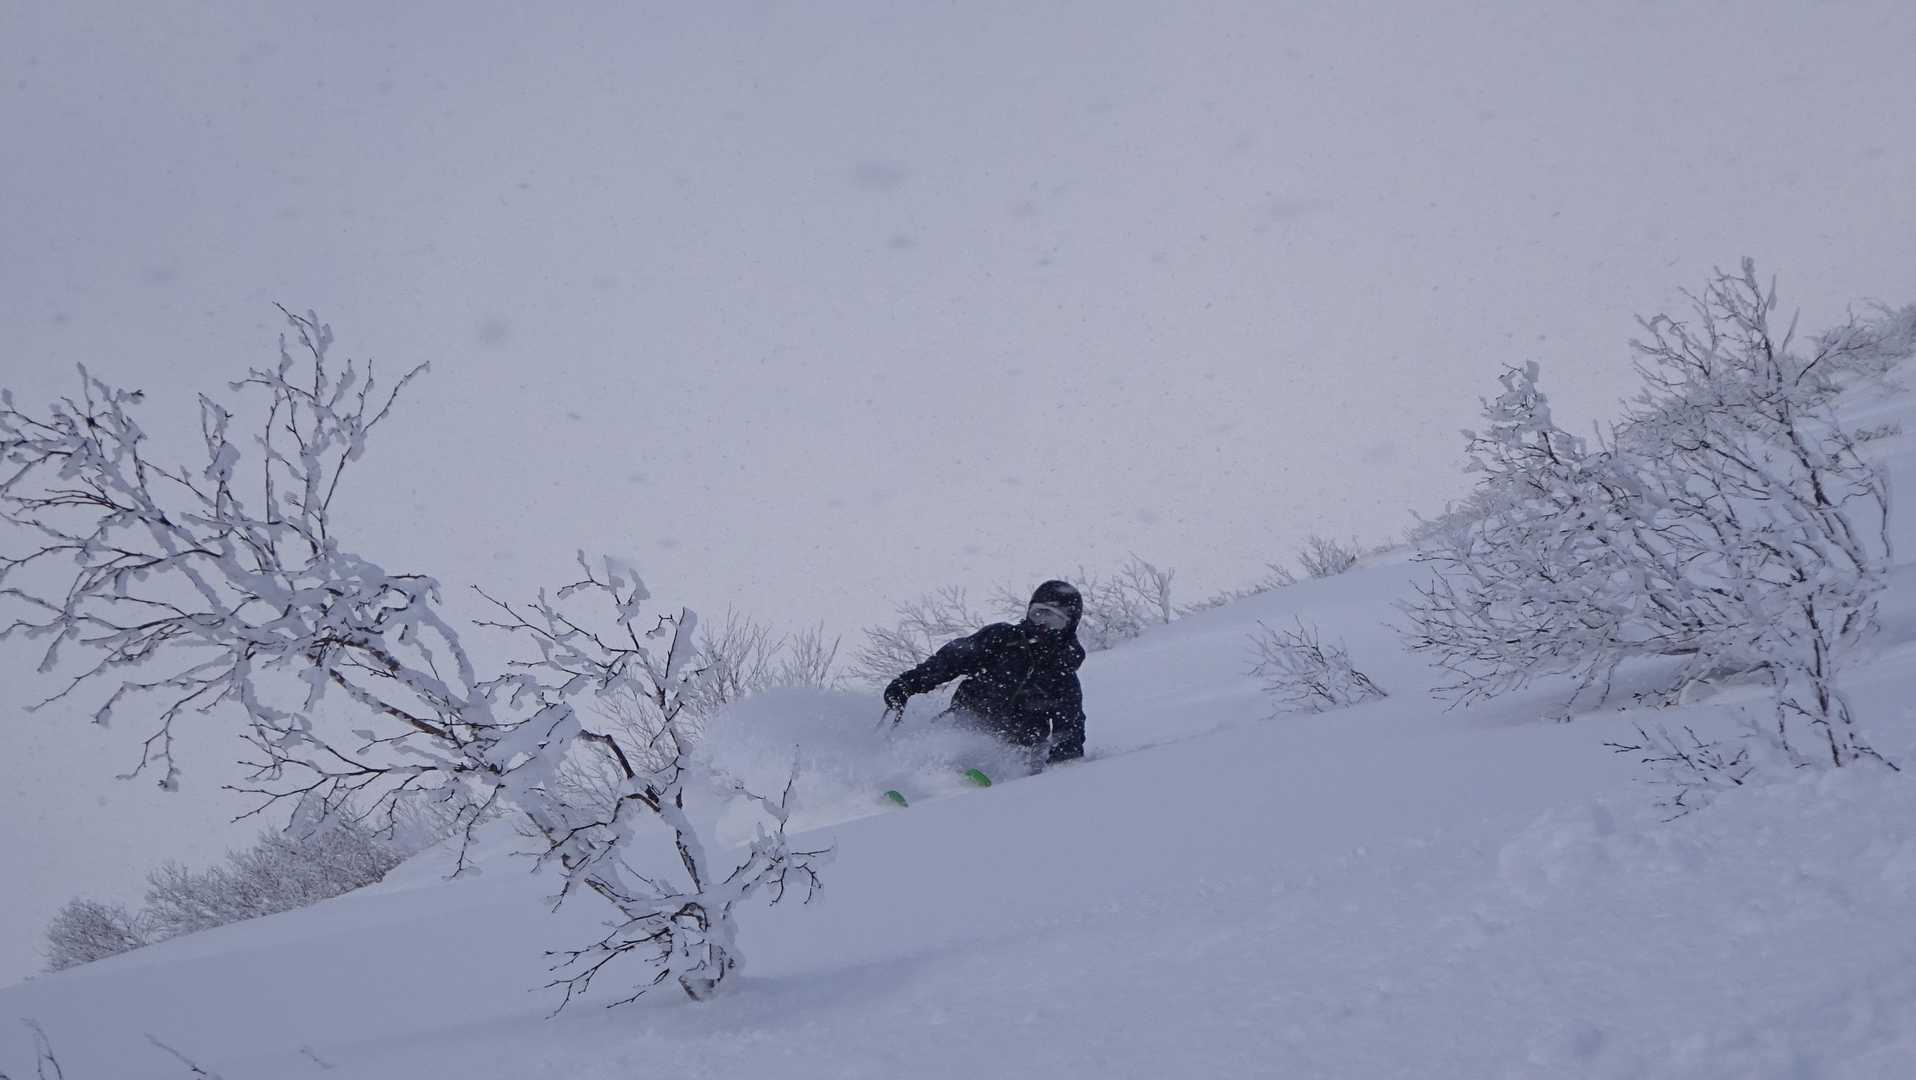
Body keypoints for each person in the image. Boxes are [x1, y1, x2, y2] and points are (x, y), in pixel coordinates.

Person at [883, 579, 1087, 773]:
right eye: (1038, 614)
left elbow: (1069, 729)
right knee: (938, 748)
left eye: (1054, 620)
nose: (1042, 624)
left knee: (1015, 756)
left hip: (1018, 751)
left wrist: (1063, 763)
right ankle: (904, 778)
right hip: (966, 725)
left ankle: (979, 784)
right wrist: (908, 683)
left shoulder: (1062, 676)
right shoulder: (1001, 639)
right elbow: (950, 661)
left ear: (1069, 626)